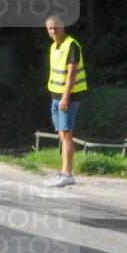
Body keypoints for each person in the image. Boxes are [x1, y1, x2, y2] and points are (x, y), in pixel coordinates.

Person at [44, 15, 86, 188]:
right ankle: (63, 172)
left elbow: (72, 74)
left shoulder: (71, 45)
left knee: (67, 134)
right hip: (56, 96)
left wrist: (65, 97)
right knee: (62, 134)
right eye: (50, 28)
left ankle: (67, 174)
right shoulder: (54, 46)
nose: (54, 31)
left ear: (63, 26)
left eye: (56, 27)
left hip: (67, 97)